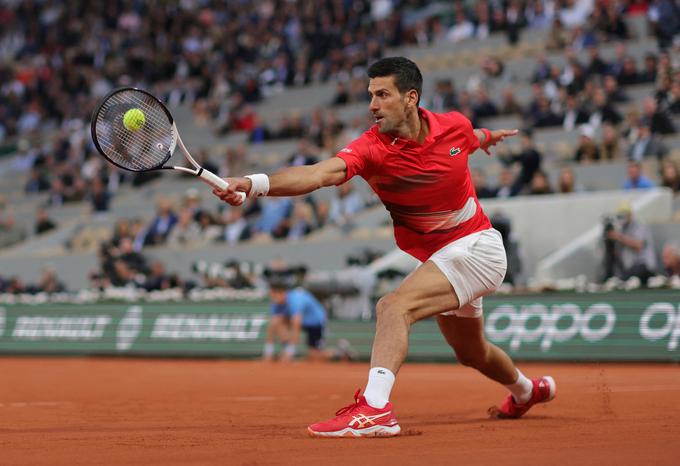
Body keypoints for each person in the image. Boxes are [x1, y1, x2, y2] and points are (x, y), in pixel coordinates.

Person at [213, 57, 555, 438]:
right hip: (443, 257)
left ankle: (376, 409)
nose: (372, 105)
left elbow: (471, 137)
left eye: (382, 95)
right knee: (471, 353)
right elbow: (318, 173)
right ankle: (527, 390)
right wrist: (252, 183)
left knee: (393, 307)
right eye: (370, 95)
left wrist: (488, 137)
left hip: (478, 247)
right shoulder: (372, 148)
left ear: (411, 98)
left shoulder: (453, 126)